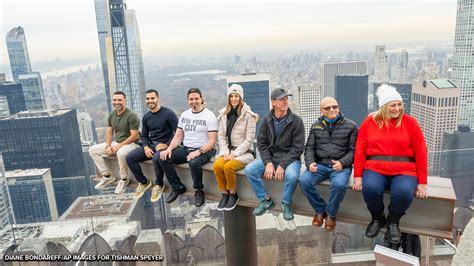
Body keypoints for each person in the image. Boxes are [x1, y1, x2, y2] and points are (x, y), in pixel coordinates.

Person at [353, 84, 428, 244]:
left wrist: (422, 182)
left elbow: (421, 152)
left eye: (399, 104)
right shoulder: (370, 122)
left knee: (403, 192)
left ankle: (393, 221)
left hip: (405, 169)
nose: (397, 108)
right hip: (375, 167)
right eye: (392, 105)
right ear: (384, 106)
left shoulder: (410, 123)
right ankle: (377, 218)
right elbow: (360, 150)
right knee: (371, 188)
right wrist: (358, 176)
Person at [245, 88, 305, 221]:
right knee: (250, 170)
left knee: (292, 175)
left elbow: (298, 148)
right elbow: (262, 144)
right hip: (271, 157)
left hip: (290, 159)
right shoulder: (267, 121)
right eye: (282, 99)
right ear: (273, 103)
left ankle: (286, 203)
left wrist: (282, 165)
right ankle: (265, 200)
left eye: (286, 99)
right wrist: (268, 163)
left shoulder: (296, 121)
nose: (285, 101)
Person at [299, 97, 358, 231]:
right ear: (321, 111)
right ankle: (320, 211)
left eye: (335, 106)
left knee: (339, 185)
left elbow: (354, 150)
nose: (332, 110)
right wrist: (309, 163)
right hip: (320, 164)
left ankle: (331, 215)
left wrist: (342, 163)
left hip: (340, 166)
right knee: (304, 181)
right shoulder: (316, 126)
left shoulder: (351, 126)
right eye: (327, 108)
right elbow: (309, 147)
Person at [160, 87, 218, 207]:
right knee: (164, 158)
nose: (194, 101)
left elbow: (212, 141)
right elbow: (178, 137)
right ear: (188, 100)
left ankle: (198, 190)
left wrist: (198, 151)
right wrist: (169, 149)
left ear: (202, 99)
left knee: (194, 163)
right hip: (186, 148)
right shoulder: (185, 115)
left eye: (196, 98)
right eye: (191, 99)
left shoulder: (209, 116)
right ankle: (177, 187)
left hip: (205, 150)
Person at [126, 89, 178, 202]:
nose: (150, 101)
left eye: (152, 98)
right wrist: (145, 147)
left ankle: (159, 184)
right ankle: (144, 182)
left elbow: (179, 134)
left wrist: (167, 145)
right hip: (150, 146)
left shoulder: (169, 114)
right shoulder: (146, 117)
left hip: (164, 146)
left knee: (156, 158)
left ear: (158, 99)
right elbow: (144, 135)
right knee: (130, 158)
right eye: (148, 99)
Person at [213, 84, 258, 211]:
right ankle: (224, 193)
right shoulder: (223, 115)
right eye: (231, 96)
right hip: (227, 151)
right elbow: (221, 137)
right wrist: (226, 153)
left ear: (241, 97)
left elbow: (249, 140)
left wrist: (234, 154)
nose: (234, 99)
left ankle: (233, 193)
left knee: (228, 167)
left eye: (236, 96)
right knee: (217, 166)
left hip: (244, 153)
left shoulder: (249, 115)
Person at [89, 91, 140, 194]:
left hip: (132, 144)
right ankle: (108, 176)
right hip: (117, 142)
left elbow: (134, 136)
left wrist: (118, 147)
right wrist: (108, 145)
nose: (117, 102)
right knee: (93, 150)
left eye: (119, 100)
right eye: (115, 100)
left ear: (125, 101)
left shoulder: (131, 115)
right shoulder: (112, 115)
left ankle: (124, 180)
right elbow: (109, 132)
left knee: (121, 153)